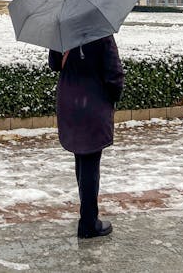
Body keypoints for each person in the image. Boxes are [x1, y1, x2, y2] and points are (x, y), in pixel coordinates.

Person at [49, 35, 124, 239]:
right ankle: (89, 223)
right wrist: (113, 97)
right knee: (90, 161)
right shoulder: (101, 33)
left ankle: (87, 215)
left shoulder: (63, 30)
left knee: (81, 158)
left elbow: (54, 64)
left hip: (69, 102)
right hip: (92, 102)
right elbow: (114, 75)